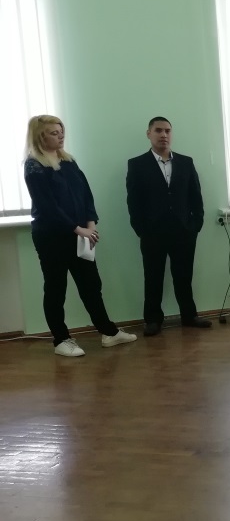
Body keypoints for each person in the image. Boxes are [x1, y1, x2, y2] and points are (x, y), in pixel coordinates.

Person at [23, 115, 137, 357]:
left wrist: (90, 224)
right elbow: (48, 206)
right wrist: (77, 229)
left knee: (91, 285)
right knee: (56, 288)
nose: (61, 136)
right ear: (40, 136)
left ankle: (109, 332)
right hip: (52, 237)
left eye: (61, 131)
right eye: (54, 132)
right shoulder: (34, 166)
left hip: (81, 233)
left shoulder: (69, 161)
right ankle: (61, 340)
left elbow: (85, 194)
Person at [126, 117, 209, 336]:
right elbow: (133, 202)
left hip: (184, 231)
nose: (164, 135)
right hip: (152, 232)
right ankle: (153, 320)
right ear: (149, 133)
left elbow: (195, 196)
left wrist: (196, 224)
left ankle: (189, 316)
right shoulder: (137, 164)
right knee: (153, 277)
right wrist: (141, 230)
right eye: (158, 130)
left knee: (184, 277)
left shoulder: (186, 162)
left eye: (167, 131)